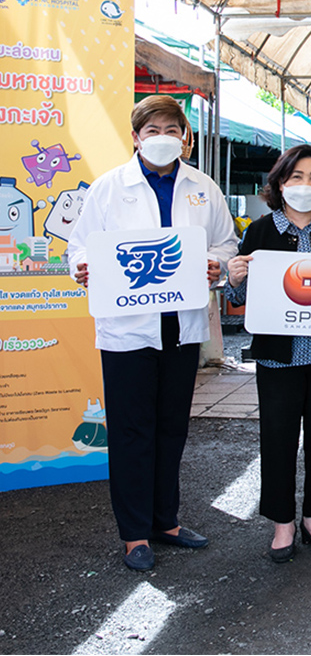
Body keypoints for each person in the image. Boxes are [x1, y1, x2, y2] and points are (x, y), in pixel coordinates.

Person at [68, 95, 238, 572]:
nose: (163, 137)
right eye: (152, 130)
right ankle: (135, 533)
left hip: (180, 328)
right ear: (136, 137)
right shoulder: (108, 188)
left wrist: (217, 264)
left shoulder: (203, 188)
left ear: (185, 137)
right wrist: (83, 267)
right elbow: (79, 247)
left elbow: (226, 243)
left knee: (171, 428)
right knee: (131, 432)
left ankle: (166, 520)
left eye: (171, 129)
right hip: (127, 331)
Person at [224, 145, 311, 563]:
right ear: (281, 183)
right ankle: (282, 521)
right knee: (277, 438)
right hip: (277, 357)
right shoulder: (260, 231)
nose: (305, 185)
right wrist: (234, 279)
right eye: (296, 176)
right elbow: (239, 297)